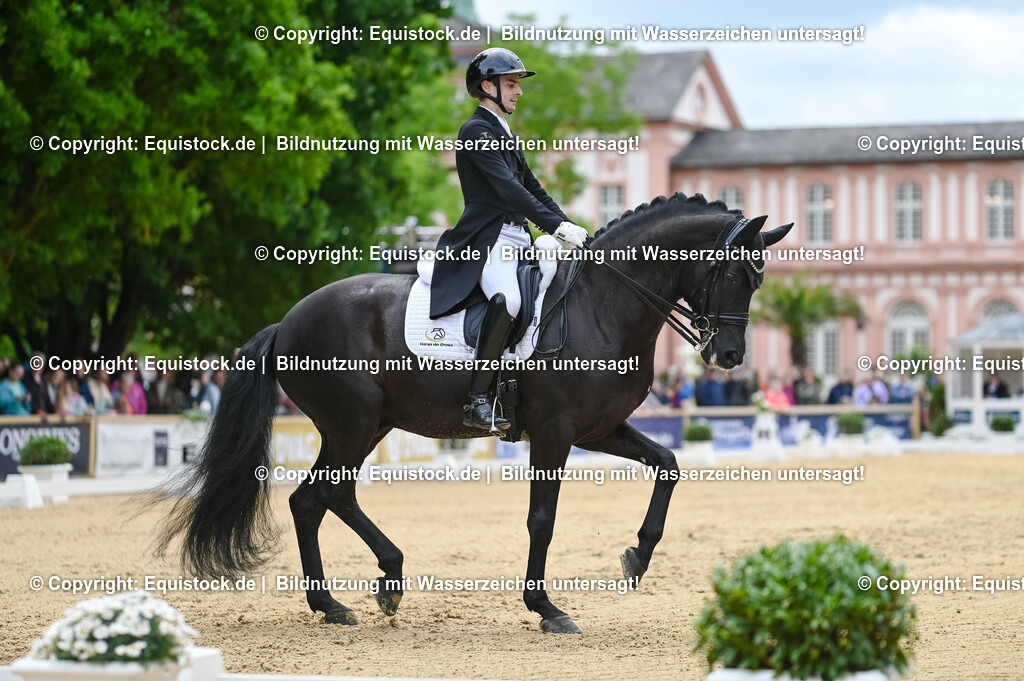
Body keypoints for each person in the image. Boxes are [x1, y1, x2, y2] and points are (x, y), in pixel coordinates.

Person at [429, 47, 587, 431]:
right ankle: (478, 399)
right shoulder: (475, 131)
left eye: (518, 84)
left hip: (519, 241)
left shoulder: (506, 134)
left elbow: (534, 190)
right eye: (512, 84)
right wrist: (553, 227)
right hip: (486, 242)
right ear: (488, 86)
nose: (518, 91)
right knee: (511, 300)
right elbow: (507, 190)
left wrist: (570, 227)